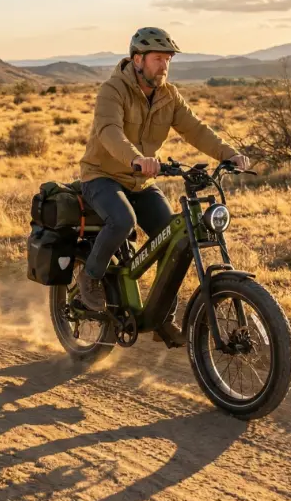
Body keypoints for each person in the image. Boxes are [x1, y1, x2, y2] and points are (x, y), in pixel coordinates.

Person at [77, 27, 250, 325]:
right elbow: (109, 132)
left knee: (173, 240)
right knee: (123, 220)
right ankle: (89, 277)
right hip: (102, 177)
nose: (164, 66)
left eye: (168, 59)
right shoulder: (113, 90)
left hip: (140, 182)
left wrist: (228, 154)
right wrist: (136, 158)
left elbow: (195, 129)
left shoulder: (169, 95)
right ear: (137, 59)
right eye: (158, 58)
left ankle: (160, 316)